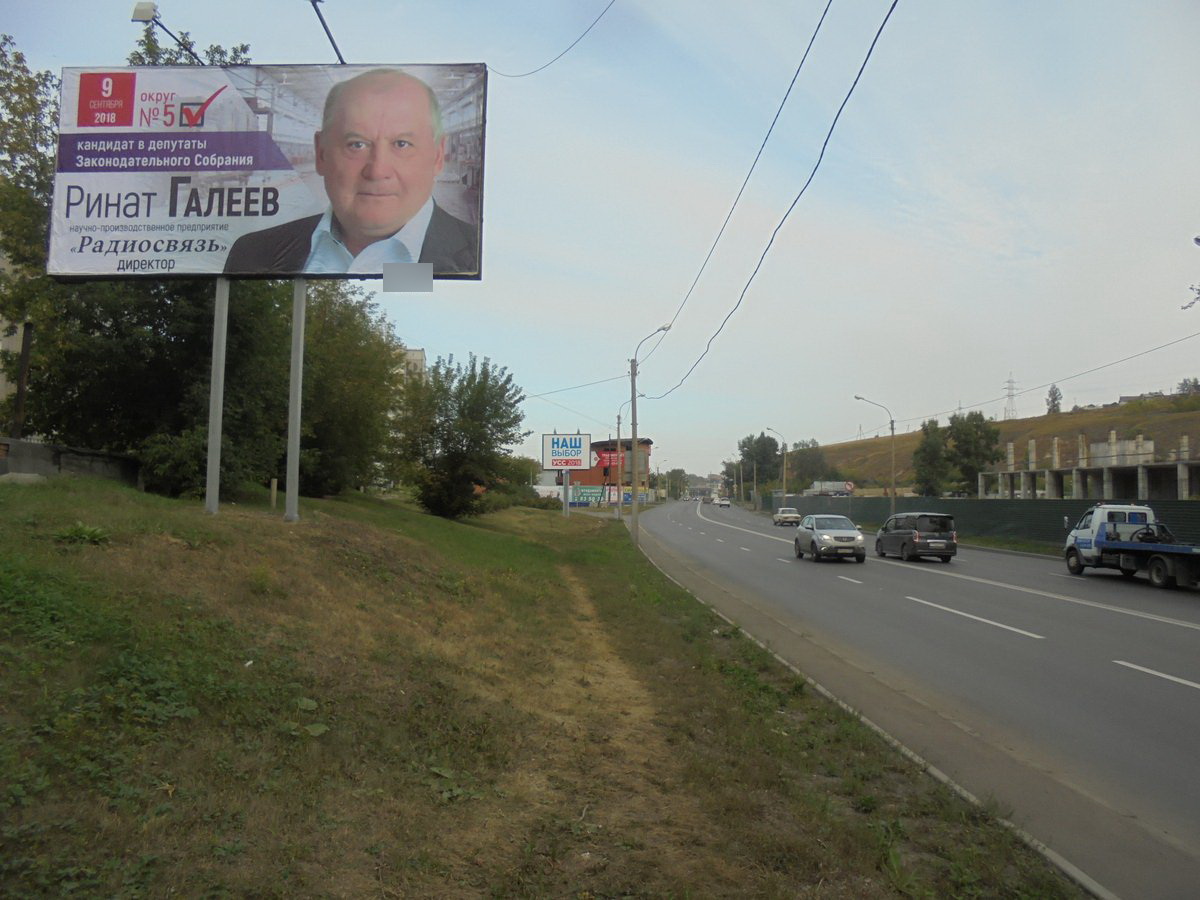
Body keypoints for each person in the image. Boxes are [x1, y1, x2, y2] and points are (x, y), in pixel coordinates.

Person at [224, 68, 478, 276]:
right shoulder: (252, 255)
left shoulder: (473, 254)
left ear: (437, 155)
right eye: (356, 144)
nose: (377, 170)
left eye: (402, 144)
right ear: (321, 153)